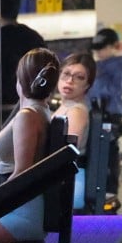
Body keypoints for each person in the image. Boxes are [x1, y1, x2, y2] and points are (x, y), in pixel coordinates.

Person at [0, 47, 61, 243]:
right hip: (23, 209)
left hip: (21, 215)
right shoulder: (41, 111)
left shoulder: (27, 116)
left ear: (20, 79)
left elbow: (22, 173)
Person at [87, 27, 122, 193]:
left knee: (109, 154)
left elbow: (116, 90)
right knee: (94, 155)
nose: (98, 52)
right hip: (93, 113)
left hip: (110, 115)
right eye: (96, 49)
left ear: (114, 46)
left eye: (103, 48)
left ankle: (110, 192)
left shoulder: (120, 68)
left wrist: (98, 77)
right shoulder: (96, 66)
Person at [53, 52, 96, 210]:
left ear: (87, 85)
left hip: (68, 181)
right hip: (60, 176)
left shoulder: (76, 111)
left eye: (79, 77)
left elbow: (66, 151)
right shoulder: (64, 106)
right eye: (66, 74)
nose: (70, 81)